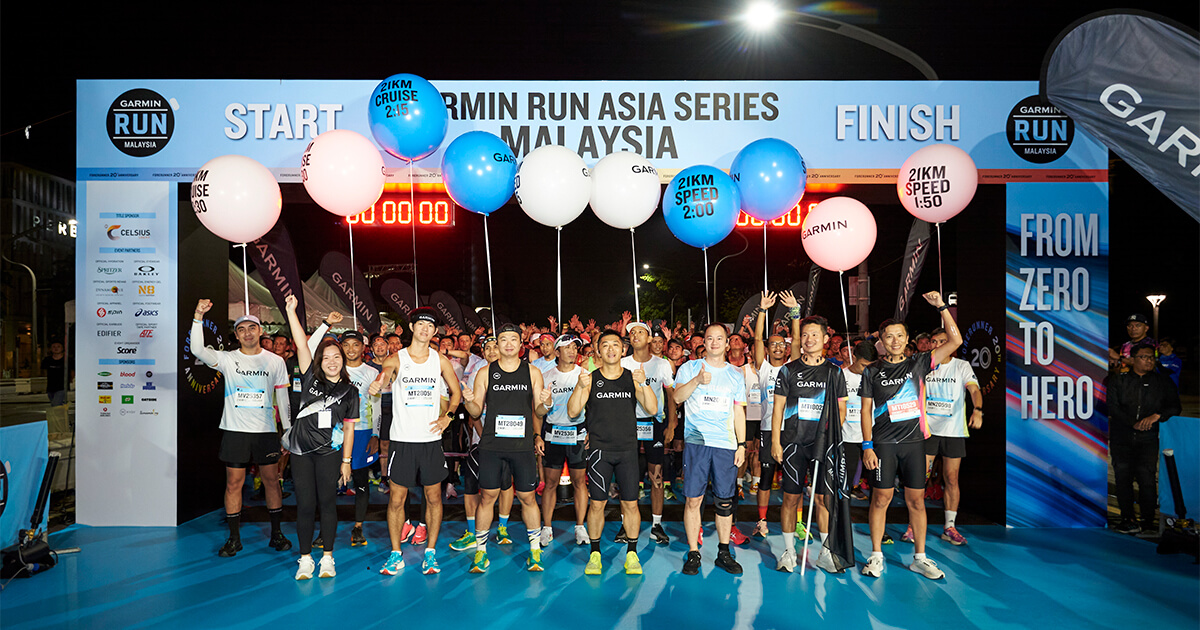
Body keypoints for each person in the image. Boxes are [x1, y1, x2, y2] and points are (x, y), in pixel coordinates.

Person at [860, 291, 961, 581]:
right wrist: (868, 446)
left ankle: (920, 558)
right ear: (882, 341)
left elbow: (955, 341)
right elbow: (866, 411)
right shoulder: (872, 372)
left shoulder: (918, 363)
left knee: (916, 501)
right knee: (881, 498)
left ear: (907, 340)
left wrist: (942, 307)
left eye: (899, 336)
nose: (894, 341)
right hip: (883, 445)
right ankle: (876, 556)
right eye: (888, 337)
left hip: (915, 444)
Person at [190, 300, 292, 557]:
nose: (247, 333)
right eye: (242, 329)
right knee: (234, 484)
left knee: (272, 481)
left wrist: (288, 429)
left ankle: (277, 534)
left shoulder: (275, 361)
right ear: (236, 335)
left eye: (252, 328)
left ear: (260, 332)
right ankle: (234, 538)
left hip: (265, 432)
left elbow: (283, 398)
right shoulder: (227, 359)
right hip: (235, 432)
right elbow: (197, 349)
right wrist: (198, 316)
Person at [372, 307, 463, 575]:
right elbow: (386, 372)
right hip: (402, 441)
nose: (425, 329)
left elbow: (456, 393)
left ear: (435, 332)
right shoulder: (397, 358)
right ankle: (395, 553)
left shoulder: (440, 361)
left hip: (431, 441)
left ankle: (431, 553)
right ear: (412, 328)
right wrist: (380, 381)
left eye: (430, 326)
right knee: (396, 499)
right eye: (420, 324)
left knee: (434, 497)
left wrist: (448, 417)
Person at [462, 323, 552, 573]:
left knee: (527, 498)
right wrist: (468, 403)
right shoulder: (485, 372)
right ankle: (481, 553)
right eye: (503, 340)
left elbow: (539, 410)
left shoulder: (532, 372)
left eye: (514, 339)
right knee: (487, 498)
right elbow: (476, 411)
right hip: (492, 446)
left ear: (521, 345)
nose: (509, 344)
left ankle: (535, 551)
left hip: (522, 447)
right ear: (497, 345)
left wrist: (547, 403)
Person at [569, 330, 657, 575]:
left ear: (623, 350)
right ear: (598, 350)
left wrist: (643, 384)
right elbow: (573, 411)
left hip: (628, 451)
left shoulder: (632, 377)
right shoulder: (590, 378)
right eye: (604, 345)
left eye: (615, 345)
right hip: (599, 453)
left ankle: (632, 554)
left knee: (630, 504)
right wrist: (579, 386)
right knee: (597, 504)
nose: (610, 349)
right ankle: (595, 554)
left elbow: (652, 408)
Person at [282, 295, 358, 579]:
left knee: (327, 504)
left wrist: (346, 461)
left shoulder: (350, 392)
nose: (332, 361)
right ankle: (304, 559)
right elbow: (302, 343)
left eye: (336, 357)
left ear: (343, 360)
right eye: (326, 358)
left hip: (330, 454)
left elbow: (349, 427)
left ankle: (327, 557)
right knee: (304, 505)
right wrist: (291, 311)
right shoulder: (309, 378)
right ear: (320, 361)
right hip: (301, 452)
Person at [770, 315, 847, 573]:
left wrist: (830, 439)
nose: (809, 339)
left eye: (814, 335)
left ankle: (826, 552)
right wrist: (775, 442)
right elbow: (778, 407)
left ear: (826, 339)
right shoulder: (788, 370)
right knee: (790, 499)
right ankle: (789, 551)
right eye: (804, 335)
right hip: (793, 444)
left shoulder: (835, 372)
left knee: (824, 499)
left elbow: (842, 410)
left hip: (823, 445)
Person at [673, 322, 747, 575]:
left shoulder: (736, 375)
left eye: (720, 338)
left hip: (725, 445)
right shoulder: (689, 368)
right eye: (709, 338)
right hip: (697, 443)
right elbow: (676, 398)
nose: (714, 342)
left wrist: (741, 444)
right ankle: (694, 552)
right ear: (703, 342)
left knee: (725, 502)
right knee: (694, 499)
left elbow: (739, 411)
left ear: (727, 343)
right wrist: (696, 380)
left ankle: (723, 552)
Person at [449, 335, 519, 553]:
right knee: (471, 484)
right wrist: (484, 437)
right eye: (487, 348)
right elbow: (473, 414)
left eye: (494, 347)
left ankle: (503, 528)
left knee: (506, 484)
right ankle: (472, 532)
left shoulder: (513, 375)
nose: (490, 351)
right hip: (482, 441)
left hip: (508, 441)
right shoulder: (478, 375)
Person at [915, 327, 982, 546]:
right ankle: (913, 525)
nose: (938, 345)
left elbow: (973, 389)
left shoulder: (961, 366)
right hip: (928, 431)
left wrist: (977, 410)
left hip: (953, 431)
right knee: (920, 479)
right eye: (934, 341)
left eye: (943, 341)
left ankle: (949, 526)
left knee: (951, 478)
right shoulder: (925, 365)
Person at [1108, 343, 1182, 534]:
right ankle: (1127, 518)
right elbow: (1112, 408)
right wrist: (1132, 423)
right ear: (1132, 359)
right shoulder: (1119, 381)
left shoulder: (1162, 382)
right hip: (1122, 438)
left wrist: (1157, 416)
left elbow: (1175, 406)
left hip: (1148, 439)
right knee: (1123, 478)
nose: (1149, 360)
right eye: (1144, 357)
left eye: (1151, 357)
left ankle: (1148, 520)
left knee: (1147, 479)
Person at [751, 291, 802, 539]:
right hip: (768, 429)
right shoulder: (763, 366)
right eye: (774, 344)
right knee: (766, 477)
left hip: (793, 429)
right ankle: (761, 520)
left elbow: (797, 340)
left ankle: (799, 522)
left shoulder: (793, 366)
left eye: (782, 344)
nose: (779, 347)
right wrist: (762, 310)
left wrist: (795, 313)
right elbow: (758, 339)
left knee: (795, 479)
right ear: (768, 349)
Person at [622, 322, 677, 546]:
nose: (635, 335)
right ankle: (626, 525)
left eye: (640, 332)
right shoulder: (623, 363)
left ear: (649, 339)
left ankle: (656, 524)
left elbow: (671, 394)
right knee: (628, 476)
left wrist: (672, 423)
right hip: (628, 424)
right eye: (632, 332)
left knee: (656, 476)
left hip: (655, 423)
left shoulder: (662, 364)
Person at [538, 333, 591, 547]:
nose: (572, 351)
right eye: (567, 347)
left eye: (575, 347)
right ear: (557, 352)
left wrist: (591, 431)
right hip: (553, 433)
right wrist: (536, 436)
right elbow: (538, 411)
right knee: (550, 484)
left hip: (578, 433)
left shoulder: (585, 374)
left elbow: (593, 406)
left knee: (579, 482)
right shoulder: (545, 375)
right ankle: (547, 527)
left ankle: (580, 527)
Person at [337, 330, 381, 548]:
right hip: (336, 433)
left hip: (363, 432)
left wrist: (376, 434)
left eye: (356, 345)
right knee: (329, 482)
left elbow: (377, 405)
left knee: (361, 480)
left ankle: (358, 526)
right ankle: (326, 528)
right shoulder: (332, 369)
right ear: (340, 347)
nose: (351, 349)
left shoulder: (372, 372)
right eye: (347, 345)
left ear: (364, 348)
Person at [842, 340, 878, 504]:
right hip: (847, 437)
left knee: (877, 484)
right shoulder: (840, 376)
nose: (867, 370)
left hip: (872, 437)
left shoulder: (876, 376)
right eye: (863, 365)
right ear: (853, 358)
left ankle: (876, 526)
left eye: (870, 366)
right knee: (845, 483)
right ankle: (842, 521)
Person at [41, 340, 71, 407]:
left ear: (62, 348)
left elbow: (72, 371)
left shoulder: (67, 360)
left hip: (62, 387)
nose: (56, 348)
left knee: (56, 405)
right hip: (50, 387)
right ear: (51, 349)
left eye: (58, 347)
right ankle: (60, 417)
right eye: (54, 347)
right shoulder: (47, 360)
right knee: (56, 406)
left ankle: (57, 417)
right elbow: (44, 371)